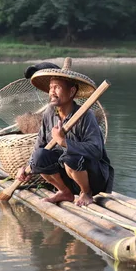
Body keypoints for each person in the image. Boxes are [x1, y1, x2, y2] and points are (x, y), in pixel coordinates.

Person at [16, 62, 114, 207]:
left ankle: (85, 193)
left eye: (57, 88)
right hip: (67, 177)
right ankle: (64, 191)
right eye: (50, 88)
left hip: (93, 177)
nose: (52, 92)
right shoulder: (49, 113)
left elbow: (96, 151)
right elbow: (40, 146)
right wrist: (26, 167)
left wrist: (64, 142)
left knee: (70, 158)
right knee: (39, 157)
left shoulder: (86, 116)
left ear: (72, 91)